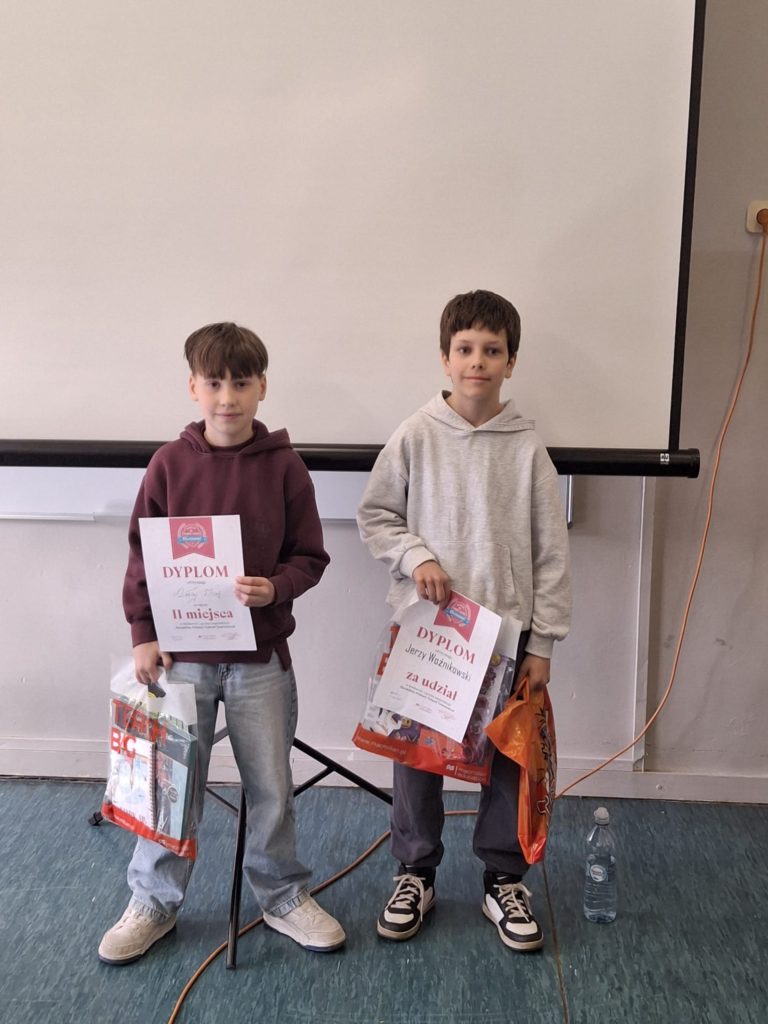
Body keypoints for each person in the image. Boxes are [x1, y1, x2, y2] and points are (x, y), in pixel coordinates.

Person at [98, 322, 345, 964]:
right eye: (214, 384)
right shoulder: (168, 465)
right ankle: (154, 900)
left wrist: (276, 588)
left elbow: (311, 557)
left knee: (271, 786)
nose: (227, 398)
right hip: (182, 663)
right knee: (169, 783)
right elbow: (141, 557)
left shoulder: (285, 467)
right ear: (193, 388)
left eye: (241, 383)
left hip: (261, 662)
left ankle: (282, 894)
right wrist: (143, 633)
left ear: (262, 386)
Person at [356, 289, 571, 952]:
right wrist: (416, 556)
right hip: (430, 633)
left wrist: (542, 643)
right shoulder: (415, 434)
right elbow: (376, 515)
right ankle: (414, 870)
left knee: (507, 756)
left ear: (511, 361)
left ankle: (503, 879)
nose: (478, 361)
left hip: (506, 637)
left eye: (492, 350)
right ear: (445, 358)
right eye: (465, 349)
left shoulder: (527, 449)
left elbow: (550, 552)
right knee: (417, 756)